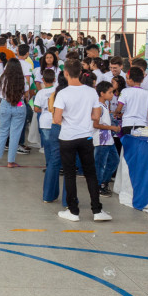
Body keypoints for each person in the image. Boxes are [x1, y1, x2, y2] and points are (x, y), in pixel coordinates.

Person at [53, 60, 111, 223]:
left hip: (67, 137)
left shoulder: (62, 93)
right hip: (86, 137)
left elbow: (57, 119)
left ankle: (73, 211)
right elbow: (96, 116)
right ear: (80, 72)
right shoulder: (91, 92)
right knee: (90, 173)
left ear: (66, 73)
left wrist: (69, 118)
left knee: (69, 174)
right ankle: (97, 210)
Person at [0, 59, 27, 168]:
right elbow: (25, 93)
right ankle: (10, 161)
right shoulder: (22, 78)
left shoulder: (2, 77)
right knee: (15, 135)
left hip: (5, 104)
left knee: (2, 132)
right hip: (19, 104)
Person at [33, 69, 61, 203]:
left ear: (43, 80)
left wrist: (43, 109)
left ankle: (50, 167)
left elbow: (36, 108)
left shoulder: (40, 93)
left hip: (44, 122)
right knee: (57, 148)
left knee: (48, 149)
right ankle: (55, 167)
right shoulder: (58, 91)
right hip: (56, 122)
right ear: (55, 79)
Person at [92, 81, 120, 196]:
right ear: (102, 93)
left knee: (114, 160)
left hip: (108, 139)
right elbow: (95, 124)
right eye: (110, 92)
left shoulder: (104, 105)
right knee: (100, 164)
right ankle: (98, 185)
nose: (112, 94)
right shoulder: (98, 107)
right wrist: (112, 127)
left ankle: (104, 182)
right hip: (101, 140)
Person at [115, 67, 148, 135]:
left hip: (127, 124)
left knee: (128, 141)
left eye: (127, 78)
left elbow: (118, 109)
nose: (126, 80)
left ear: (131, 80)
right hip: (142, 124)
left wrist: (115, 113)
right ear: (142, 80)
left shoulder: (125, 91)